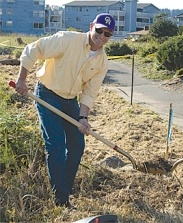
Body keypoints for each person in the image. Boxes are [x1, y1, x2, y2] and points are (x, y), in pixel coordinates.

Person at [14, 13, 115, 207]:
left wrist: (83, 117)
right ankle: (61, 200)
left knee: (77, 145)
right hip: (47, 95)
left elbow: (90, 92)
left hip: (70, 102)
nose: (102, 36)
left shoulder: (102, 62)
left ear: (111, 36)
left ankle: (64, 188)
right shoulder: (67, 40)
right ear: (92, 25)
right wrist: (21, 79)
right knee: (57, 146)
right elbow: (33, 50)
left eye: (107, 34)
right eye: (99, 30)